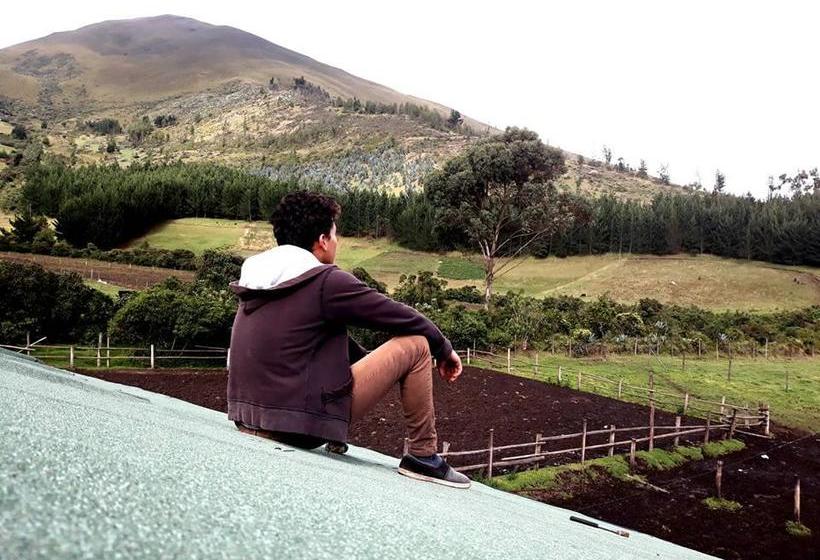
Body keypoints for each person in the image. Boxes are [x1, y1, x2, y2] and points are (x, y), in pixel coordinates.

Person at [227, 191, 470, 489]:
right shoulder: (326, 281)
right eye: (335, 233)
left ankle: (338, 436)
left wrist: (379, 369)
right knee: (417, 344)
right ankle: (423, 456)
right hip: (297, 428)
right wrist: (443, 348)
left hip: (246, 419)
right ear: (322, 241)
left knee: (333, 335)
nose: (337, 241)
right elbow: (402, 317)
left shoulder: (258, 278)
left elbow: (316, 342)